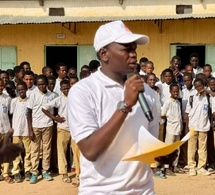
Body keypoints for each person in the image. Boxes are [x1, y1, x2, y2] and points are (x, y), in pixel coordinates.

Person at [68, 20, 160, 194]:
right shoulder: (83, 91)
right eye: (126, 49)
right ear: (104, 54)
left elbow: (148, 145)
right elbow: (90, 150)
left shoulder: (146, 91)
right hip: (101, 190)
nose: (133, 55)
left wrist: (161, 154)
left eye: (134, 49)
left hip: (143, 190)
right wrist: (125, 106)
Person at [42, 80, 80, 185]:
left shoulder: (76, 98)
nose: (66, 90)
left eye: (68, 88)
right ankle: (64, 173)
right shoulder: (58, 99)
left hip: (75, 129)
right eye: (64, 88)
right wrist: (54, 118)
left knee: (77, 152)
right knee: (62, 151)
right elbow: (44, 108)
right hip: (62, 128)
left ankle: (78, 174)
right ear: (61, 89)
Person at [27, 75, 57, 184]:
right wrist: (30, 129)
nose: (42, 86)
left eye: (43, 84)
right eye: (39, 85)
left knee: (46, 149)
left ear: (47, 84)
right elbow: (28, 113)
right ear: (37, 85)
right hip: (35, 126)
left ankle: (45, 171)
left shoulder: (53, 95)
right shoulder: (33, 95)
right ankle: (34, 172)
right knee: (35, 150)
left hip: (48, 125)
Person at [185, 78, 211, 176]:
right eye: (197, 87)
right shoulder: (192, 97)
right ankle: (191, 166)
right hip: (193, 125)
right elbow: (187, 112)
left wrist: (207, 91)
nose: (199, 88)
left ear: (203, 85)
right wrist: (188, 126)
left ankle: (201, 167)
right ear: (195, 87)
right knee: (191, 147)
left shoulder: (208, 96)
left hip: (203, 125)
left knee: (202, 148)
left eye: (200, 86)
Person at [10, 81, 32, 182]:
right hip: (16, 131)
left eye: (23, 89)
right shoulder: (14, 101)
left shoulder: (30, 101)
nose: (21, 91)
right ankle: (16, 172)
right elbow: (11, 114)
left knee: (28, 152)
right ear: (17, 91)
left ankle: (27, 170)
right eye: (19, 90)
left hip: (27, 131)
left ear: (26, 89)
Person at [161, 83, 183, 175]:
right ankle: (166, 167)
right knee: (169, 148)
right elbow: (163, 114)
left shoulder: (178, 102)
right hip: (170, 128)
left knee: (177, 148)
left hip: (178, 128)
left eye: (177, 91)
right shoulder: (168, 102)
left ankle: (175, 165)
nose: (175, 93)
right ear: (170, 91)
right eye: (173, 91)